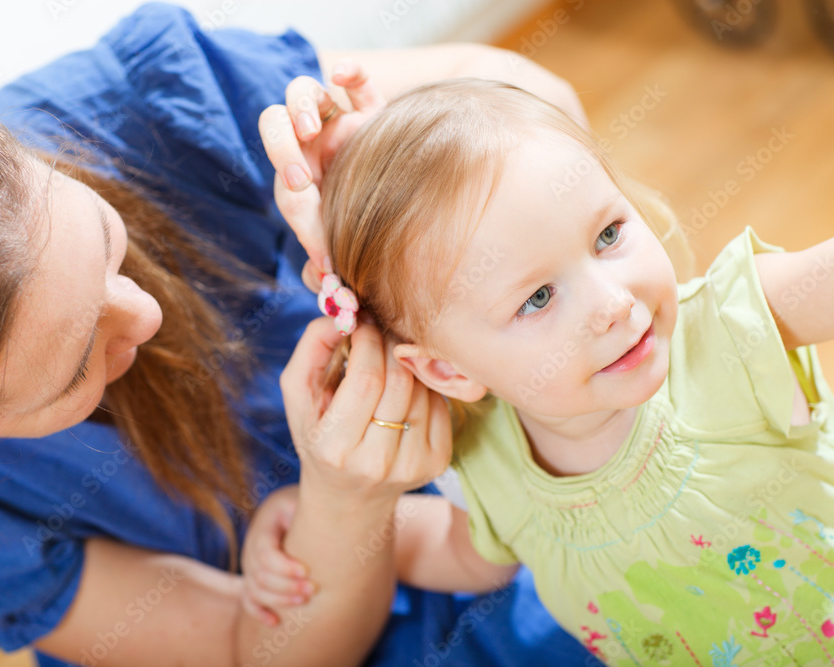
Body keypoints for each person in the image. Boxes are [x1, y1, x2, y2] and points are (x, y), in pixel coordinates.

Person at [0, 5, 597, 667]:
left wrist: (395, 164)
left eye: (107, 239)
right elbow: (257, 647)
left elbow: (542, 100)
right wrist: (345, 510)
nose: (147, 313)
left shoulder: (138, 103)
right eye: (72, 371)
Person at [248, 77, 834, 666]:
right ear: (445, 370)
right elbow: (461, 554)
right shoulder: (491, 463)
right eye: (537, 299)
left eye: (608, 235)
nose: (612, 304)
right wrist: (305, 518)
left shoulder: (725, 331)